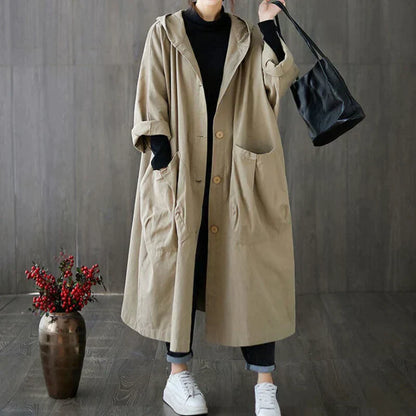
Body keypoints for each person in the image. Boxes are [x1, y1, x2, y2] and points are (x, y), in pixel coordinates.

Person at [121, 0, 298, 415]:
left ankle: (265, 386)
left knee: (254, 275)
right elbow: (151, 101)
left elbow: (275, 85)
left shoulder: (247, 37)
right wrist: (163, 163)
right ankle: (177, 375)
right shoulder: (164, 33)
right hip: (183, 177)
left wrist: (269, 26)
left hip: (238, 178)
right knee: (179, 270)